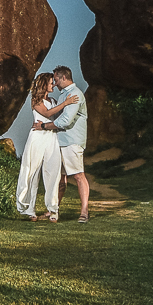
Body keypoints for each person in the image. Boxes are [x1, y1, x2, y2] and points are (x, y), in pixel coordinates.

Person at [15, 73, 76, 221]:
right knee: (32, 172)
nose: (53, 85)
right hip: (37, 138)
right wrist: (65, 103)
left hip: (51, 136)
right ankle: (29, 209)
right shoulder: (36, 101)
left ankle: (53, 209)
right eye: (50, 83)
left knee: (53, 172)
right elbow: (47, 113)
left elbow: (58, 116)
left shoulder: (53, 100)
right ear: (44, 85)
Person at [35, 65, 89, 223]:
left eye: (56, 79)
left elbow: (65, 121)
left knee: (79, 176)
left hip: (71, 141)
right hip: (60, 141)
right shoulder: (65, 95)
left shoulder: (75, 94)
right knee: (60, 179)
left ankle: (84, 212)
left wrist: (44, 126)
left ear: (64, 77)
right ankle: (53, 210)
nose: (55, 83)